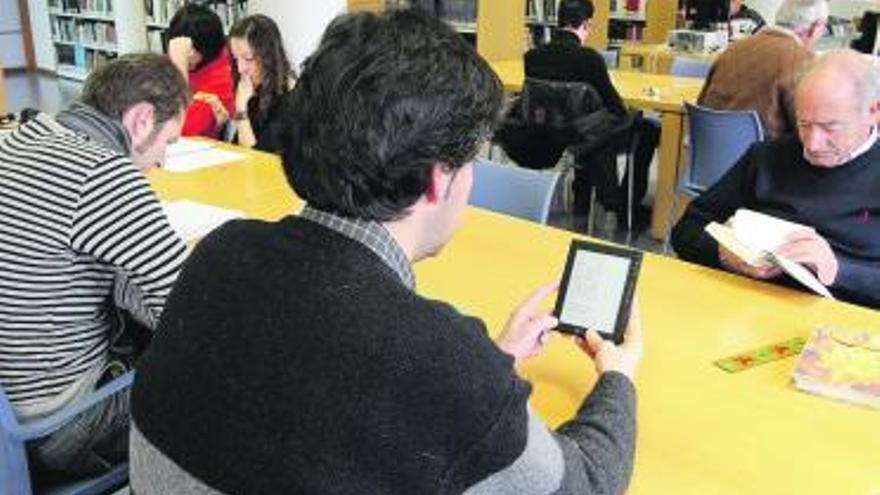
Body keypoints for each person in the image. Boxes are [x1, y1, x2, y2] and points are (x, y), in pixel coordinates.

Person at [130, 10, 643, 494]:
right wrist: (618, 375)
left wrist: (489, 367)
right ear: (438, 178)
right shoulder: (440, 362)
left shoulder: (220, 252)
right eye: (469, 164)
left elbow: (315, 395)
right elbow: (587, 482)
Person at [0, 54, 189, 479]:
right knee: (217, 376)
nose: (162, 161)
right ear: (140, 119)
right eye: (167, 142)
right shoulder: (105, 175)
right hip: (54, 433)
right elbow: (185, 313)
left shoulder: (20, 136)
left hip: (8, 416)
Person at [672, 49, 880, 308]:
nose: (813, 144)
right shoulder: (767, 157)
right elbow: (685, 231)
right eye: (804, 124)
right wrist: (724, 254)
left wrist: (838, 270)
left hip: (843, 323)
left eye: (830, 127)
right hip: (747, 308)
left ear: (874, 112)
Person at [522, 0, 659, 223]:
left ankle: (583, 201)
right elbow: (616, 108)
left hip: (550, 135)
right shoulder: (589, 59)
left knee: (587, 126)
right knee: (648, 131)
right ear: (587, 24)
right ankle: (626, 208)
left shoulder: (533, 56)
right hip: (586, 137)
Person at [698, 0, 828, 140]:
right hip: (762, 157)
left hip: (710, 152)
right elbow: (805, 129)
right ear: (815, 27)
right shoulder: (803, 60)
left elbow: (701, 104)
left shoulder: (732, 49)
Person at [167, 3, 235, 139]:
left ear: (207, 47)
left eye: (188, 49)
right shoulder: (184, 61)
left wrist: (180, 66)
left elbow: (182, 130)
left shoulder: (227, 74)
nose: (186, 54)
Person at [229, 14, 295, 153]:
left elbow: (256, 159)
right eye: (236, 59)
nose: (240, 68)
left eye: (248, 59)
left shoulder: (289, 96)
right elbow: (237, 147)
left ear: (268, 57)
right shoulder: (256, 88)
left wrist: (241, 110)